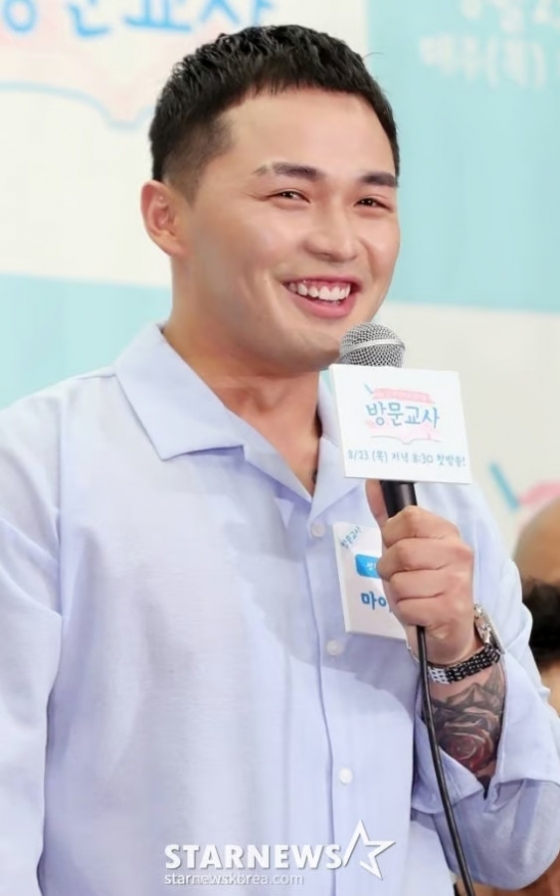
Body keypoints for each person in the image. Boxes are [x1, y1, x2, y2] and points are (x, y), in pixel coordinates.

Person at [1, 24, 560, 896]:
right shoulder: (41, 472)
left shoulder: (427, 489)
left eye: (371, 202)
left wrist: (458, 644)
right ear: (166, 216)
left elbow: (517, 848)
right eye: (291, 195)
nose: (340, 242)